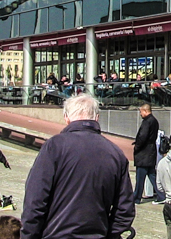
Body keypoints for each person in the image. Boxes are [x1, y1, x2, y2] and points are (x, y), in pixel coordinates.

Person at [21, 94, 134, 238]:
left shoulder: (55, 146)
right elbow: (125, 210)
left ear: (66, 118)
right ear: (97, 117)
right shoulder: (115, 153)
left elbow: (35, 200)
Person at [133, 103, 164, 205]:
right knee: (152, 175)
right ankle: (161, 195)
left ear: (145, 111)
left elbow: (143, 136)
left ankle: (136, 198)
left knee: (140, 177)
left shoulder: (147, 122)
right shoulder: (154, 121)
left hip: (144, 153)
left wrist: (137, 146)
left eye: (141, 111)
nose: (140, 114)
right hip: (151, 151)